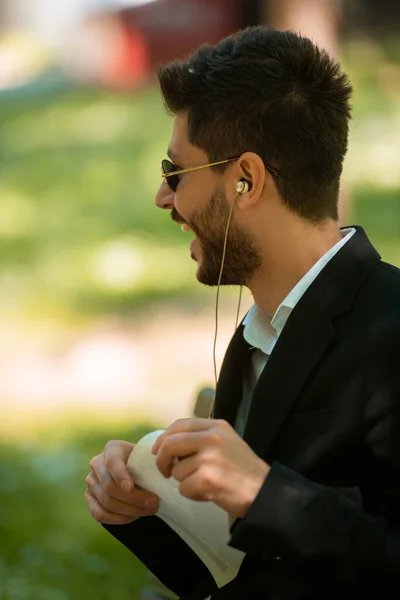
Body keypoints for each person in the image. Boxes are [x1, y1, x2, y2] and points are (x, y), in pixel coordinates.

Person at [85, 26, 400, 599]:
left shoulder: (391, 329)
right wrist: (141, 510)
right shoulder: (256, 335)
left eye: (174, 171)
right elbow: (244, 570)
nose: (164, 198)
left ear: (245, 180)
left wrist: (263, 493)